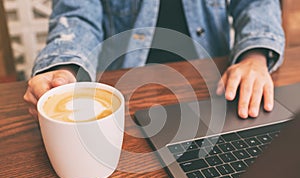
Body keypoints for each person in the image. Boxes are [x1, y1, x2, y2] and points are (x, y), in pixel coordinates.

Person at [23, 0, 285, 119]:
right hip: (123, 96)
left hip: (215, 87)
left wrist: (255, 55)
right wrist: (64, 70)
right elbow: (78, 13)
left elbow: (256, 3)